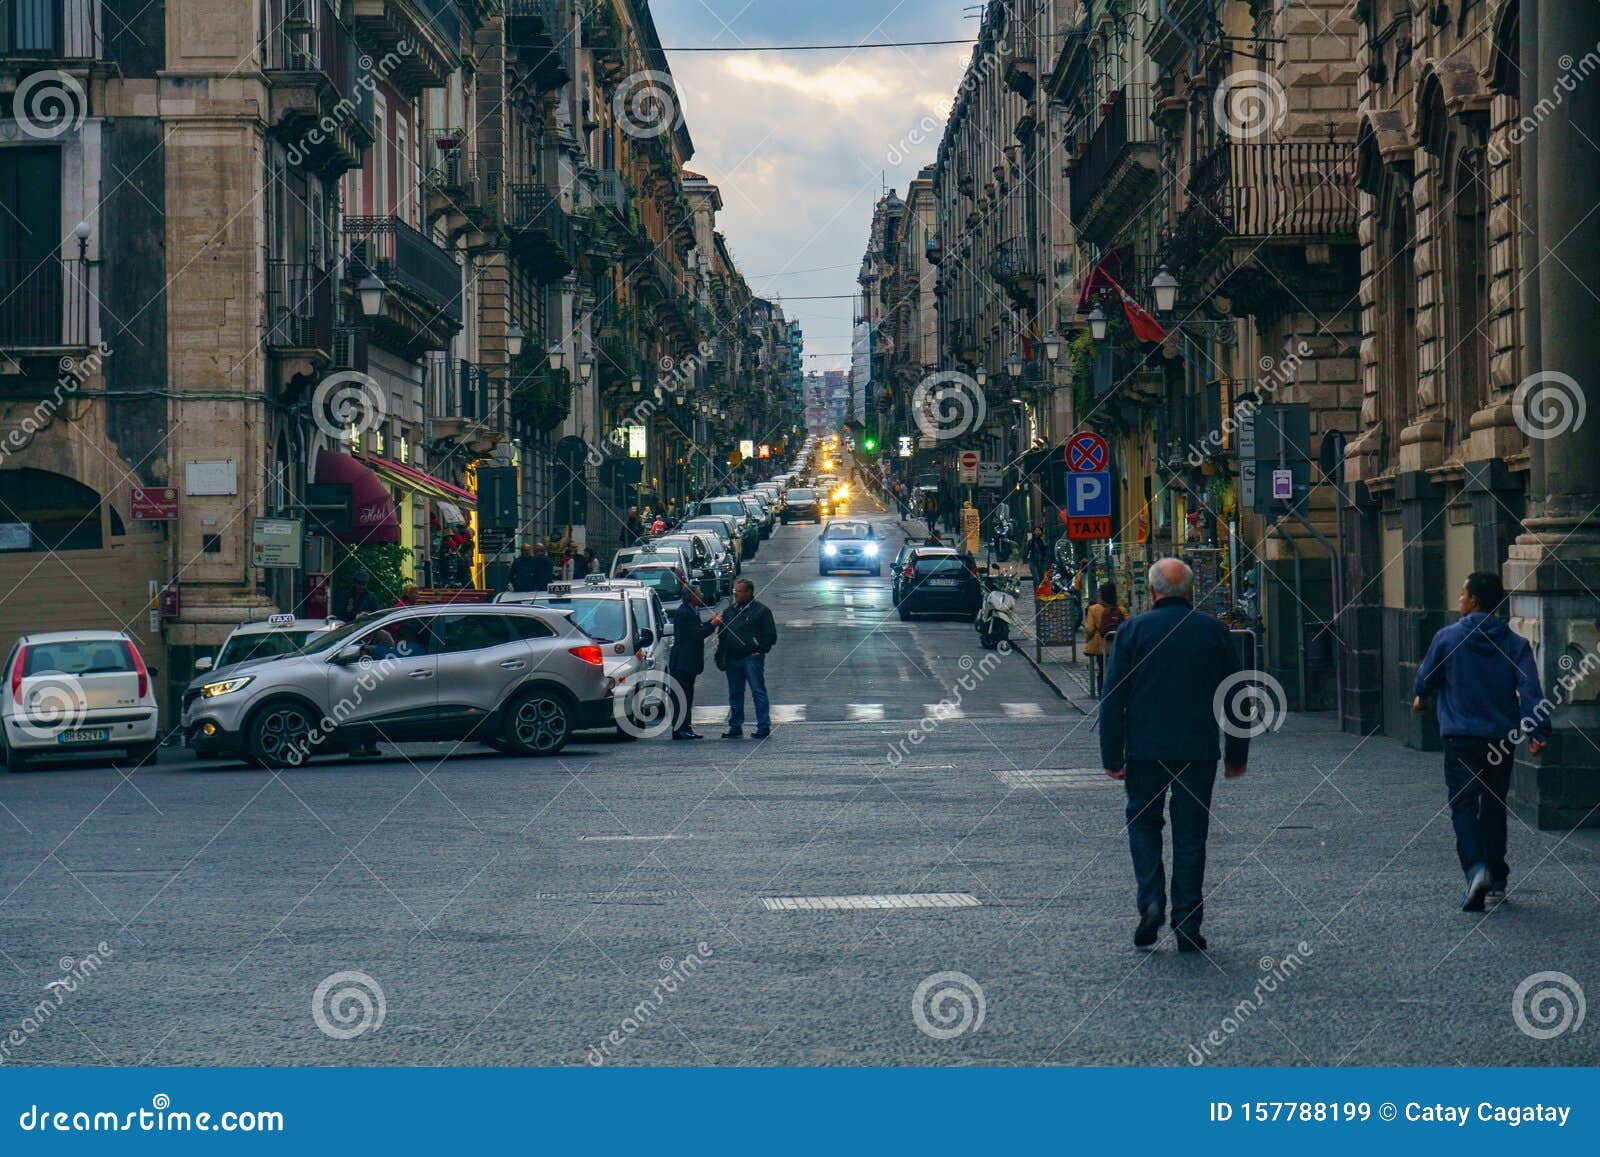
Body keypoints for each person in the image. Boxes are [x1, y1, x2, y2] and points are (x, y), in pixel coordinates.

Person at [1100, 558, 1248, 953]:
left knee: (1144, 824)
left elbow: (1113, 699)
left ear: (1152, 592)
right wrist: (1237, 753)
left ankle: (1151, 901)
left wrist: (1112, 755)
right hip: (1198, 751)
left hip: (1146, 751)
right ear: (1191, 592)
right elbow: (1236, 697)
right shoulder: (1213, 632)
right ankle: (1187, 921)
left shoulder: (1132, 631)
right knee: (1190, 835)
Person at [1413, 572, 1549, 912]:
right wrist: (1538, 731)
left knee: (1462, 805)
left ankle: (1476, 869)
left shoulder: (1447, 638)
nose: (1459, 598)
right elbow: (1530, 688)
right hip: (1499, 740)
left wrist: (1422, 696)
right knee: (1493, 806)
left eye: (1462, 593)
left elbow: (1426, 677)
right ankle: (1498, 880)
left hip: (1460, 737)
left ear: (1473, 600)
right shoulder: (1514, 643)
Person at [712, 578, 778, 739]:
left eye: (739, 592)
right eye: (735, 591)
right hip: (733, 659)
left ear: (749, 592)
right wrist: (721, 654)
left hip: (751, 657)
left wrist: (760, 649)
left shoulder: (761, 611)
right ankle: (735, 726)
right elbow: (723, 634)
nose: (736, 594)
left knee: (757, 691)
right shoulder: (730, 611)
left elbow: (770, 635)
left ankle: (763, 725)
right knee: (735, 692)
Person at [668, 585, 716, 740]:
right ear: (692, 597)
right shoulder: (684, 613)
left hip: (688, 662)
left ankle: (686, 727)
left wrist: (710, 622)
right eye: (699, 593)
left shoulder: (691, 611)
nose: (701, 594)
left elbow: (698, 628)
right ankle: (679, 729)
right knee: (682, 696)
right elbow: (697, 633)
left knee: (687, 696)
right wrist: (713, 624)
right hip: (682, 663)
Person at [1083, 582, 1128, 698]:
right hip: (1117, 646)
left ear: (1101, 594)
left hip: (1101, 646)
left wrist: (1088, 640)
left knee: (1102, 671)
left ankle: (1102, 695)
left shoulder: (1094, 609)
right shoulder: (1121, 609)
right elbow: (1128, 626)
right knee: (1117, 671)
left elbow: (1089, 629)